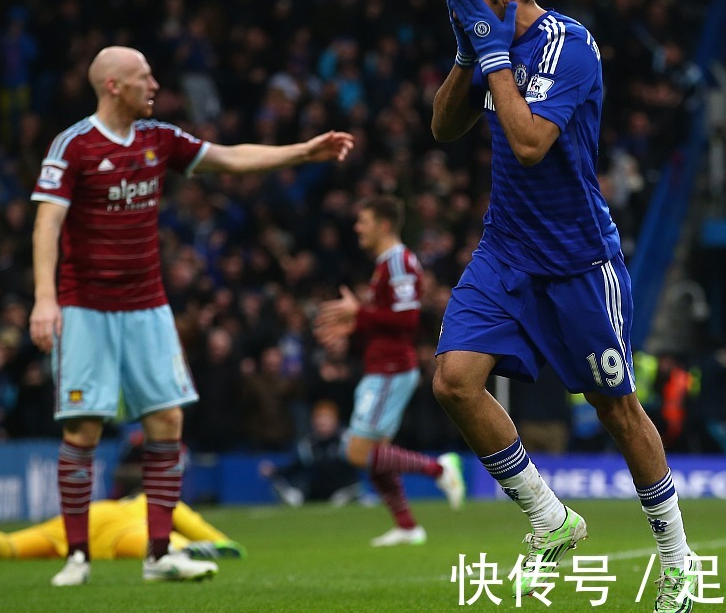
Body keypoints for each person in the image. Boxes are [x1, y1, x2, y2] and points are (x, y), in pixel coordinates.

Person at [430, 0, 696, 610]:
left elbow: (528, 142)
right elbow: (442, 128)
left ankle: (678, 560)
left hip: (580, 260)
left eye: (465, 4)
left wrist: (490, 52)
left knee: (618, 410)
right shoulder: (485, 42)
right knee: (454, 383)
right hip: (507, 250)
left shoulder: (567, 44)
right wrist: (469, 52)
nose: (458, 14)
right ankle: (550, 518)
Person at [28, 46, 353, 586]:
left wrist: (302, 152)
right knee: (83, 429)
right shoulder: (74, 145)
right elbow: (47, 225)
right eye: (143, 77)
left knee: (168, 421)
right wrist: (45, 298)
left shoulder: (160, 139)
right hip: (86, 308)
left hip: (148, 306)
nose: (154, 84)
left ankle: (158, 555)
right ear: (113, 85)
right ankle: (77, 556)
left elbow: (229, 157)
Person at [313, 195, 465, 547]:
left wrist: (358, 315)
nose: (357, 228)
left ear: (383, 224)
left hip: (391, 370)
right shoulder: (387, 263)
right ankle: (408, 526)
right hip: (382, 367)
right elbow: (387, 319)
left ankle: (440, 469)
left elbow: (408, 318)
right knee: (376, 457)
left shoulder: (398, 262)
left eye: (363, 221)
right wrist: (355, 325)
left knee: (357, 452)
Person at [0, 494, 245, 565]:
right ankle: (184, 552)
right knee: (154, 543)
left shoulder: (121, 500)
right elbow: (182, 514)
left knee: (9, 546)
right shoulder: (148, 502)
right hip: (120, 531)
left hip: (77, 521)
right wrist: (221, 540)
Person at [259, 399, 363, 508]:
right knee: (302, 490)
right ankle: (296, 497)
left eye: (327, 418)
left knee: (344, 493)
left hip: (343, 488)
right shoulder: (307, 444)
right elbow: (296, 467)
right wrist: (275, 471)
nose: (322, 423)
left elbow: (361, 461)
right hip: (316, 492)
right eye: (319, 419)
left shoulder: (347, 440)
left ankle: (356, 496)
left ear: (335, 421)